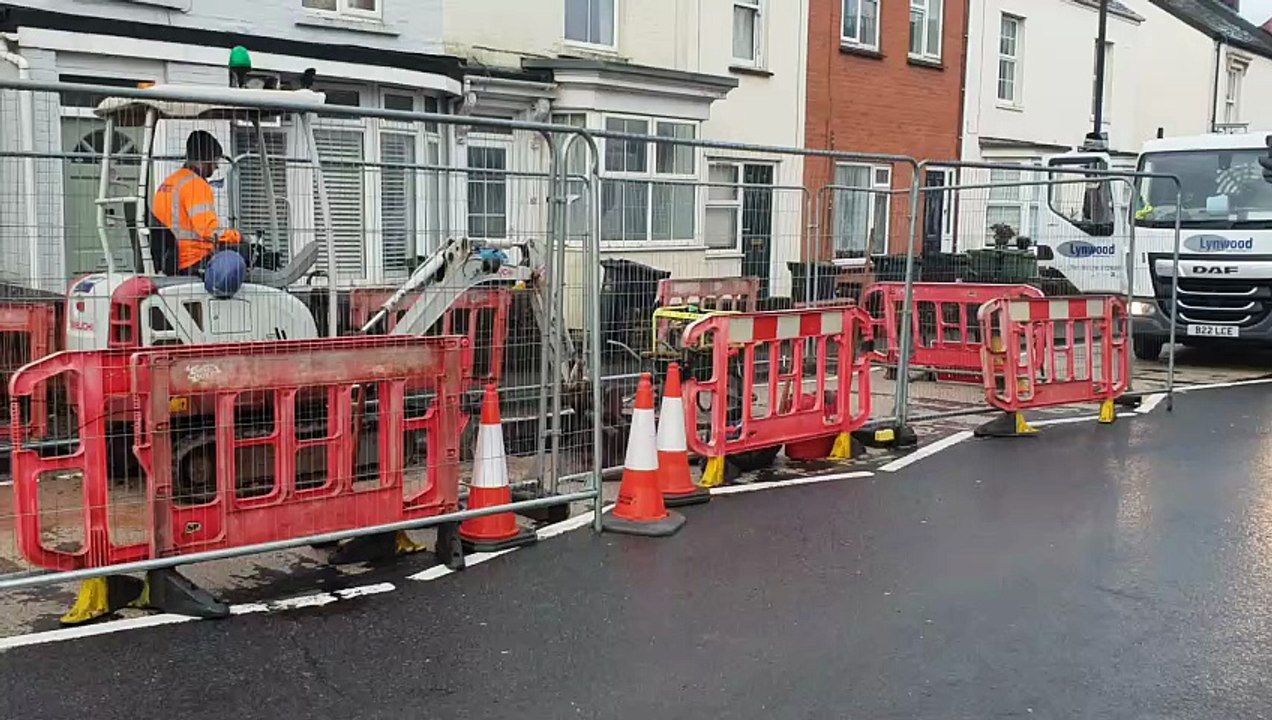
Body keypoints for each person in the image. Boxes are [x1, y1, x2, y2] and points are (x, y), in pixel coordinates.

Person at [150, 130, 246, 276]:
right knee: (246, 255)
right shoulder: (196, 185)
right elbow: (210, 232)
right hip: (193, 260)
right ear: (206, 159)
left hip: (170, 259)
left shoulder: (169, 183)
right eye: (215, 161)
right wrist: (238, 236)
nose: (216, 167)